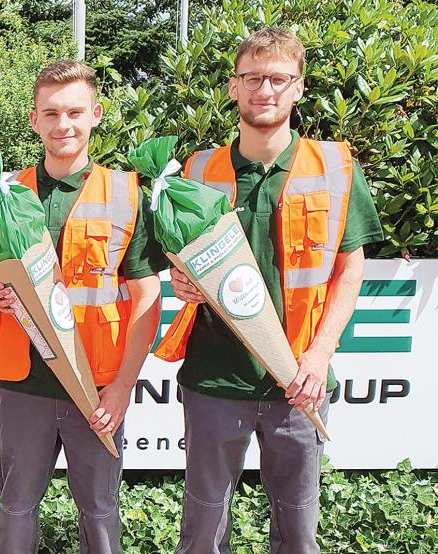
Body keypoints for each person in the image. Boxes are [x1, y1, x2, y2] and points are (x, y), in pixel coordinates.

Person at [156, 27, 385, 554]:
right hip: (215, 375)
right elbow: (177, 257)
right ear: (233, 87)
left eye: (279, 79)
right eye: (253, 77)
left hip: (299, 379)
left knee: (299, 530)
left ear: (299, 88)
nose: (265, 90)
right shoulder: (196, 170)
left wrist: (319, 356)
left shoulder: (336, 167)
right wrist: (181, 279)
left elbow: (350, 270)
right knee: (202, 528)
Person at [0, 60, 166, 553]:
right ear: (34, 119)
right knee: (15, 508)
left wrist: (122, 388)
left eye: (75, 112)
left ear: (96, 114)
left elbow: (147, 296)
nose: (64, 125)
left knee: (99, 510)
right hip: (23, 383)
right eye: (51, 113)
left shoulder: (127, 193)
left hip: (96, 387)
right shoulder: (4, 192)